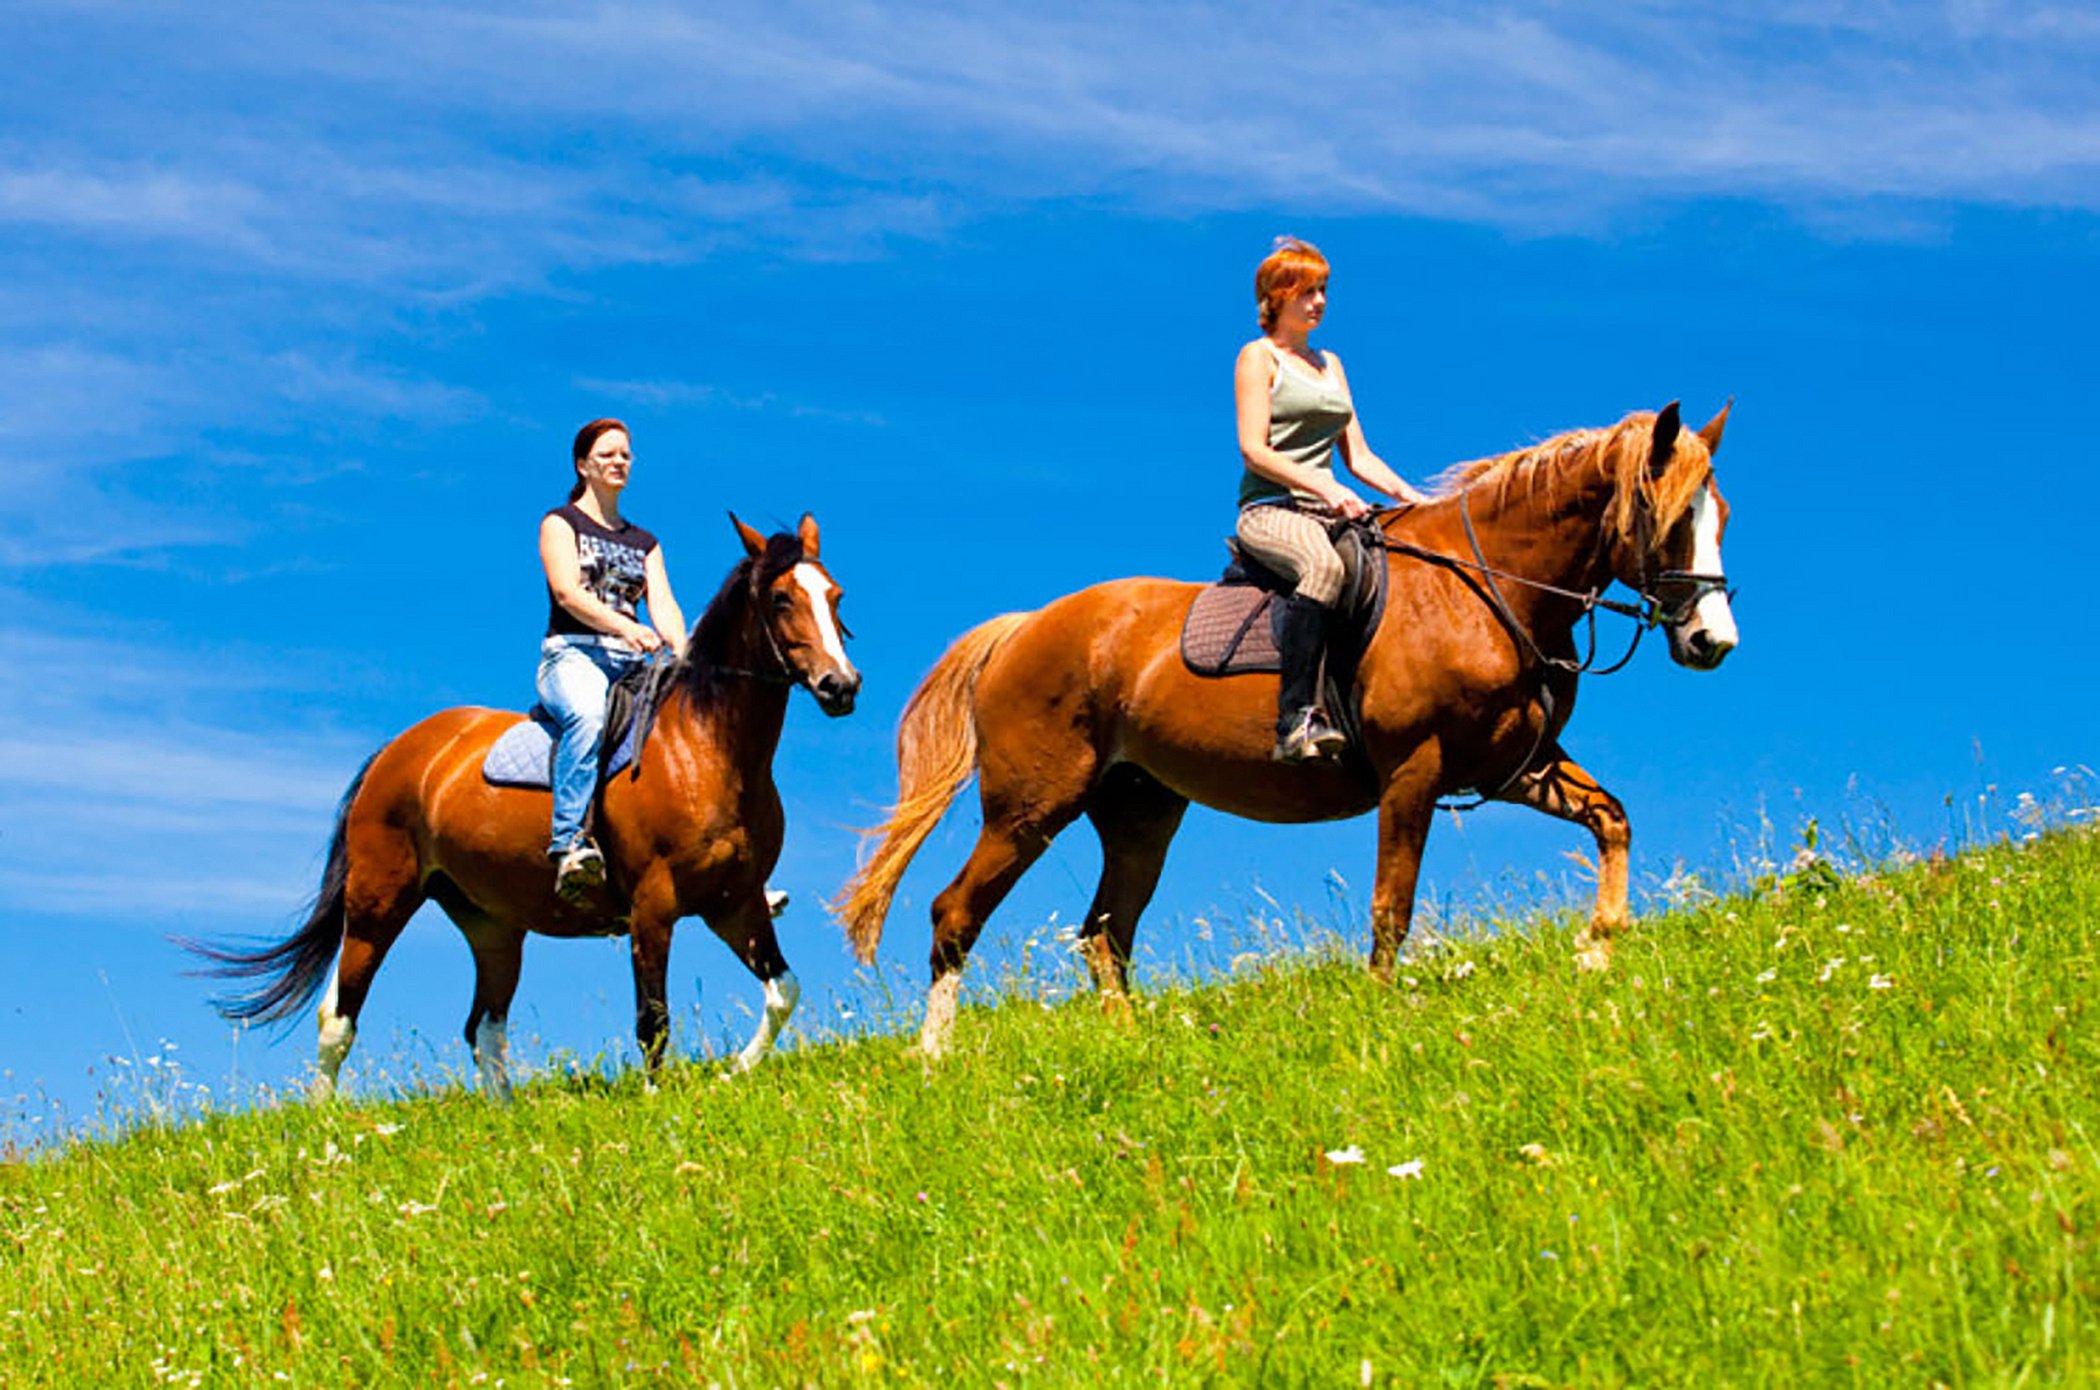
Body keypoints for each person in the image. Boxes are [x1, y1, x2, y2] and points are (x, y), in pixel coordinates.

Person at [1233, 238, 1426, 762]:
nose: (1318, 301)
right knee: (1322, 569)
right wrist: (1324, 486)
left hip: (1329, 509)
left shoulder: (1331, 364)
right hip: (1273, 510)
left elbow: (1359, 456)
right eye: (1305, 291)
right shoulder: (1259, 357)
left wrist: (1414, 499)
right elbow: (1254, 450)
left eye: (1322, 290)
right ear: (1276, 296)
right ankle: (1296, 720)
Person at [538, 418, 685, 899]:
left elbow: (662, 604)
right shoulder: (561, 523)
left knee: (689, 731)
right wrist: (625, 626)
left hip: (633, 661)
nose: (619, 461)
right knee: (587, 717)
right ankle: (570, 843)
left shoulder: (645, 541)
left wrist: (684, 655)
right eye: (608, 454)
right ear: (583, 465)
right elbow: (566, 592)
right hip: (573, 655)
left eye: (625, 454)